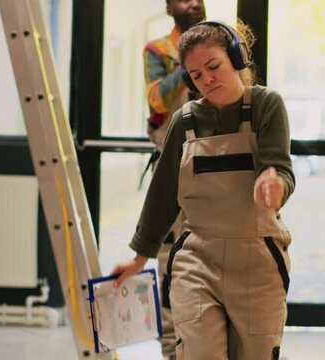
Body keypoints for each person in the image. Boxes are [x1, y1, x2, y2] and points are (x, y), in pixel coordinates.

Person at [113, 20, 294, 360]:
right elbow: (163, 194)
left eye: (213, 66)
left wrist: (275, 185)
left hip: (258, 259)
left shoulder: (266, 105)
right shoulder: (185, 121)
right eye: (196, 75)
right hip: (197, 259)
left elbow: (280, 168)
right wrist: (139, 259)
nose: (207, 79)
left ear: (237, 59)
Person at [141, 1, 205, 359]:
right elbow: (157, 98)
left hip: (214, 168)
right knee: (170, 259)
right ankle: (171, 349)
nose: (194, 3)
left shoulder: (220, 45)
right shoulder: (158, 51)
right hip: (171, 168)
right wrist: (190, 59)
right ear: (169, 8)